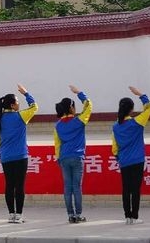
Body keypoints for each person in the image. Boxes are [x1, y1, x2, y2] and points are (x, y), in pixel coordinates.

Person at [0, 84, 38, 224]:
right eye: (17, 102)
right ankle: (19, 215)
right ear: (12, 105)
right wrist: (26, 94)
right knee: (19, 186)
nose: (19, 104)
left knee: (9, 185)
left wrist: (1, 155)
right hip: (20, 156)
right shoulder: (21, 116)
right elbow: (34, 107)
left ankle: (11, 214)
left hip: (6, 157)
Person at [111, 86, 150, 225]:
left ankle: (127, 216)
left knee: (126, 189)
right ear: (131, 110)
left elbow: (114, 147)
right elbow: (149, 108)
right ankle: (134, 216)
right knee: (135, 190)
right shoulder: (137, 122)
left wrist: (119, 158)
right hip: (138, 160)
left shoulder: (116, 126)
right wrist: (140, 94)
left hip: (124, 161)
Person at [54, 85, 93, 224]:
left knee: (67, 187)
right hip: (77, 157)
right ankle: (78, 214)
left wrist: (58, 158)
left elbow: (57, 143)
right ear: (71, 108)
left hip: (64, 157)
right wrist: (80, 93)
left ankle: (70, 215)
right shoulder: (79, 120)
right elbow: (89, 106)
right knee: (77, 187)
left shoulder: (58, 125)